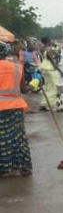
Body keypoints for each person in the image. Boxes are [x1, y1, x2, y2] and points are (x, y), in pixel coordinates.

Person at [0, 42, 32, 177]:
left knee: (3, 138)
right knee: (18, 137)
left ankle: (4, 168)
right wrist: (36, 84)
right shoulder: (18, 68)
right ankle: (24, 166)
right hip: (16, 107)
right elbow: (24, 89)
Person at [38, 37, 63, 112]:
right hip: (50, 70)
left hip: (45, 70)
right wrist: (60, 71)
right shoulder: (49, 50)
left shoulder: (42, 49)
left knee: (48, 87)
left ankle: (44, 104)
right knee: (55, 88)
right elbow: (53, 62)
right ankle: (59, 106)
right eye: (50, 40)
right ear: (48, 41)